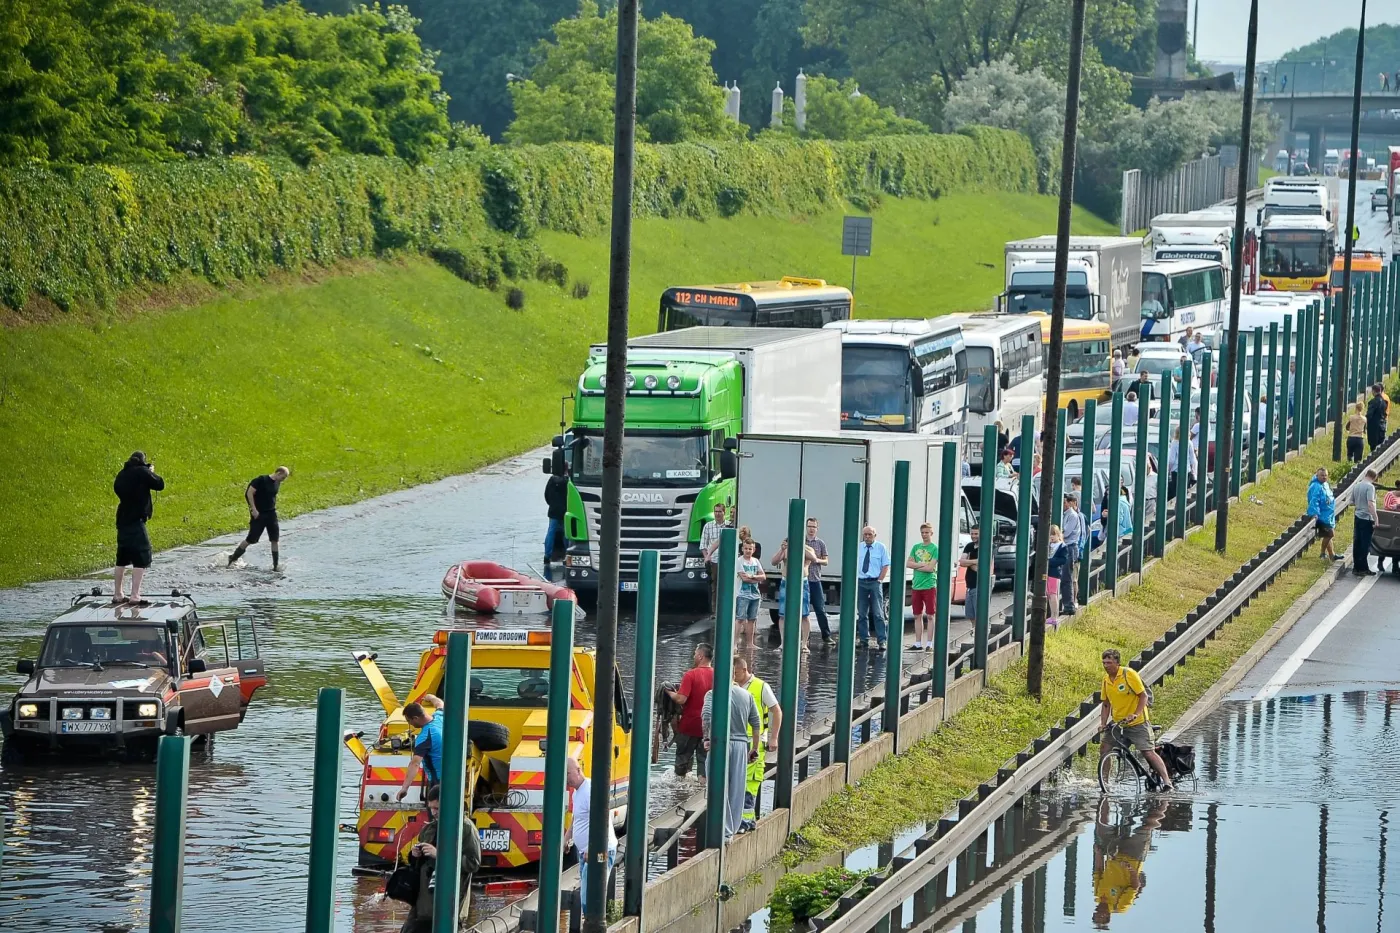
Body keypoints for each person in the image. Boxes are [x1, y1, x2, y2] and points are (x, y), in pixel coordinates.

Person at [397, 783, 481, 932]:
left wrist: (440, 856)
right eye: (431, 808)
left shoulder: (466, 828)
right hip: (423, 901)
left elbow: (472, 864)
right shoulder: (429, 828)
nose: (433, 812)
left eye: (437, 808)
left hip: (449, 901)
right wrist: (415, 855)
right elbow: (418, 865)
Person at [700, 661, 761, 841]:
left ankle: (721, 830)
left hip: (721, 742)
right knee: (736, 789)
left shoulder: (713, 694)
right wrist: (754, 748)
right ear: (734, 675)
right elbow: (757, 724)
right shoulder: (746, 695)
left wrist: (706, 738)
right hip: (742, 744)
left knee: (718, 785)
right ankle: (731, 831)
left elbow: (706, 717)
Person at [1098, 648, 1173, 792]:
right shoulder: (1106, 680)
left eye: (1109, 662)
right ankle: (1104, 782)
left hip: (1137, 723)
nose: (1106, 666)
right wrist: (1103, 723)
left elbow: (1143, 696)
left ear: (1117, 663)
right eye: (1104, 663)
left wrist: (1135, 714)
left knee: (1148, 752)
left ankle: (1167, 782)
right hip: (1118, 724)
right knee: (1105, 749)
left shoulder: (1128, 674)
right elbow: (1106, 704)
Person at [1092, 798, 1165, 925]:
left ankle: (1105, 796)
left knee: (1101, 827)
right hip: (1133, 856)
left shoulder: (1097, 895)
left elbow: (1098, 871)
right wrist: (1130, 869)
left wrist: (1098, 853)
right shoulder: (1119, 906)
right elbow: (1135, 886)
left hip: (1114, 853)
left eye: (1096, 916)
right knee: (1148, 826)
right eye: (1101, 917)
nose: (1099, 913)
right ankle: (1165, 801)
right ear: (1108, 916)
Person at [732, 655, 780, 827]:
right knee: (735, 780)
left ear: (744, 670)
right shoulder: (732, 686)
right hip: (736, 740)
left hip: (755, 741)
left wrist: (773, 738)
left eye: (735, 673)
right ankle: (739, 820)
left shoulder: (761, 687)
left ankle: (746, 821)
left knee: (750, 781)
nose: (733, 676)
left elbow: (777, 711)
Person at [113, 451, 165, 606]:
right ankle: (135, 595)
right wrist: (150, 472)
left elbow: (119, 488)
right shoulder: (142, 472)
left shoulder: (122, 474)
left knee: (122, 557)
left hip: (122, 519)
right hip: (136, 520)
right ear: (142, 462)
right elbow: (160, 484)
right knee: (142, 555)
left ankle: (118, 594)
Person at [567, 756, 617, 915]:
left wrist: (592, 847)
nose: (566, 779)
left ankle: (594, 924)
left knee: (590, 893)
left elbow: (600, 819)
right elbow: (577, 818)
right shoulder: (576, 793)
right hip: (585, 853)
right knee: (587, 892)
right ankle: (590, 921)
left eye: (568, 774)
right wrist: (566, 838)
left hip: (600, 851)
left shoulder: (590, 790)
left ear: (578, 771)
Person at [228, 466, 291, 570]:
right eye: (283, 477)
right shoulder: (261, 480)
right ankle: (233, 558)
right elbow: (249, 493)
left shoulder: (277, 483)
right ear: (278, 473)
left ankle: (275, 566)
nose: (283, 480)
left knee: (275, 539)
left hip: (271, 514)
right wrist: (253, 509)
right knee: (251, 539)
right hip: (259, 514)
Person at [666, 643, 714, 778]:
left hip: (689, 726)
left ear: (700, 656)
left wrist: (669, 692)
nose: (693, 656)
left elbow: (681, 699)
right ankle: (701, 790)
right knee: (704, 762)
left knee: (682, 762)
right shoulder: (719, 675)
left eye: (695, 653)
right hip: (709, 728)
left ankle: (680, 792)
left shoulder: (690, 675)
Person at [772, 537, 818, 652]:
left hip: (802, 582)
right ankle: (783, 643)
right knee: (783, 614)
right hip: (786, 582)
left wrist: (800, 546)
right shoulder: (786, 549)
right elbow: (774, 562)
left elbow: (814, 559)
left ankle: (804, 644)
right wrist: (782, 549)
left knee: (804, 614)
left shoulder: (808, 549)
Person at [395, 702, 444, 800]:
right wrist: (430, 698)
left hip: (437, 782)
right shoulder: (439, 718)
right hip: (452, 777)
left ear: (416, 718)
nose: (410, 724)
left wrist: (404, 788)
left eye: (409, 721)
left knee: (435, 812)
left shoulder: (425, 737)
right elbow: (439, 703)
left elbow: (415, 764)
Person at [855, 525, 891, 651]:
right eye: (865, 534)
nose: (867, 537)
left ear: (875, 535)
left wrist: (880, 580)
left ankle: (882, 640)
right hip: (861, 582)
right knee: (862, 613)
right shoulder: (859, 547)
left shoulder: (881, 547)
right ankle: (864, 639)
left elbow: (885, 564)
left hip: (874, 581)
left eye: (870, 534)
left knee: (878, 612)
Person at [906, 523, 938, 650]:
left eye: (927, 532)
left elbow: (931, 568)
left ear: (931, 533)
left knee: (930, 615)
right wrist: (922, 565)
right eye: (923, 532)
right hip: (916, 585)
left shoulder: (934, 548)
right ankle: (918, 642)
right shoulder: (916, 547)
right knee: (917, 615)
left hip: (929, 584)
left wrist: (916, 564)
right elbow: (908, 563)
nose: (924, 535)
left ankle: (929, 643)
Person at [803, 518, 832, 644]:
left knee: (820, 609)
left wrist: (816, 560)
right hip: (802, 580)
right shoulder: (800, 541)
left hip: (815, 580)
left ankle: (826, 636)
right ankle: (804, 636)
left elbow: (826, 561)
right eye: (809, 526)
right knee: (802, 610)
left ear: (817, 529)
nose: (811, 529)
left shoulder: (820, 543)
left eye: (813, 527)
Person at [1308, 467, 1341, 562]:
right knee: (1330, 534)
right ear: (1317, 475)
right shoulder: (1316, 486)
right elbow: (1313, 501)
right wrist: (1314, 513)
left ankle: (1332, 555)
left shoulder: (1325, 484)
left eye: (1326, 475)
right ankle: (1322, 553)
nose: (1324, 477)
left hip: (1328, 515)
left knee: (1328, 535)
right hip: (1321, 516)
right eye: (1322, 475)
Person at [1060, 493, 1086, 616]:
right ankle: (1066, 603)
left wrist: (1057, 533)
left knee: (1067, 577)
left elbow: (1066, 533)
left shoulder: (1072, 516)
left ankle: (1069, 605)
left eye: (1064, 502)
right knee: (1064, 577)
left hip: (1070, 548)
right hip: (1065, 547)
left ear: (1069, 503)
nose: (1063, 505)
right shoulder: (1065, 515)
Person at [735, 540, 765, 645]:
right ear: (742, 549)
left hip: (755, 595)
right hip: (742, 594)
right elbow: (744, 578)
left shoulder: (756, 561)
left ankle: (750, 644)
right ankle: (734, 644)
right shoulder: (739, 561)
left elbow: (763, 576)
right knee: (740, 618)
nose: (748, 551)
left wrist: (752, 576)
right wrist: (756, 578)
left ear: (754, 550)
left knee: (752, 619)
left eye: (750, 548)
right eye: (746, 548)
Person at [701, 504, 729, 611]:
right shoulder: (708, 526)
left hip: (726, 560)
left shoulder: (729, 525)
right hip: (714, 560)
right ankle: (714, 611)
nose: (717, 514)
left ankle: (725, 610)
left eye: (719, 511)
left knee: (725, 585)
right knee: (714, 587)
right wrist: (706, 558)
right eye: (716, 511)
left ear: (724, 512)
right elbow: (703, 545)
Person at [1353, 468, 1379, 577]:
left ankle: (1356, 567)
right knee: (1365, 544)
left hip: (1357, 516)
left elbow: (1351, 501)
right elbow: (1370, 504)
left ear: (1366, 474)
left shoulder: (1357, 485)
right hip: (1366, 518)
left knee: (1357, 542)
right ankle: (1363, 568)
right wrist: (1376, 518)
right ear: (1374, 477)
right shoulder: (1370, 487)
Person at [544, 469, 569, 564]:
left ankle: (547, 555)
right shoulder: (568, 481)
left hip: (553, 510)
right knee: (566, 533)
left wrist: (552, 504)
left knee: (551, 532)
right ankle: (567, 555)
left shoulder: (551, 480)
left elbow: (546, 495)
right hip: (565, 510)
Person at [1046, 525, 1067, 627]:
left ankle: (1055, 616)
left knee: (1053, 594)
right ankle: (1052, 615)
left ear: (1058, 535)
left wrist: (1050, 561)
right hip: (1048, 572)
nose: (1052, 538)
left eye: (1054, 535)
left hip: (1055, 572)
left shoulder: (1062, 546)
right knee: (1050, 594)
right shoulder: (1048, 545)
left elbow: (1063, 560)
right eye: (1050, 536)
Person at [959, 527, 982, 622]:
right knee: (970, 614)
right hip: (969, 586)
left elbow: (980, 568)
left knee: (979, 614)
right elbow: (962, 562)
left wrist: (968, 562)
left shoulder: (986, 547)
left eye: (976, 534)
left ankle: (980, 634)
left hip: (979, 586)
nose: (973, 536)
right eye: (972, 534)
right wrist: (975, 561)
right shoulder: (969, 546)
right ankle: (974, 632)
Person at [1367, 383, 1388, 453]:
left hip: (1373, 427)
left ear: (1373, 391)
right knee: (1380, 447)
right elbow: (1385, 414)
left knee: (1373, 447)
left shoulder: (1373, 402)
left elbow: (1369, 415)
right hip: (1382, 426)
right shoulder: (1385, 402)